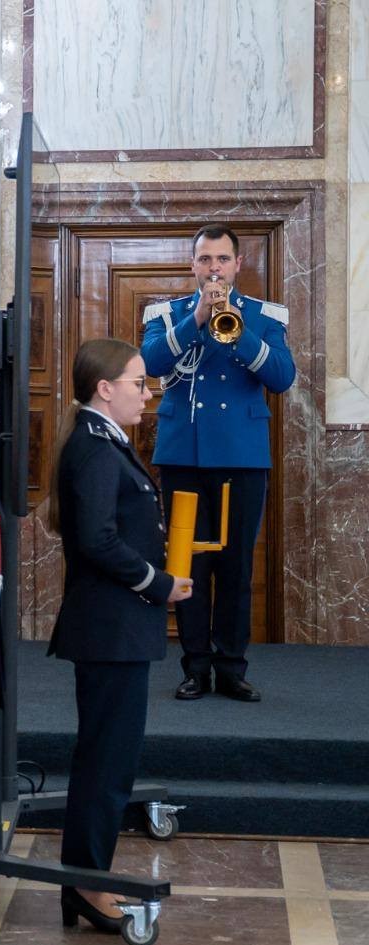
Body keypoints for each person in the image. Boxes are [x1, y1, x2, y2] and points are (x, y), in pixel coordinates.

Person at [47, 338, 194, 931]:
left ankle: (85, 882)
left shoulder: (104, 440)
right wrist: (158, 584)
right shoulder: (95, 447)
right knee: (105, 766)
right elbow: (97, 540)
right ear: (105, 389)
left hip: (117, 629)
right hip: (109, 629)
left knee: (108, 762)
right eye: (139, 382)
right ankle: (87, 885)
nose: (148, 393)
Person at [140, 224, 294, 703]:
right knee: (187, 565)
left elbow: (282, 377)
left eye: (222, 259)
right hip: (184, 456)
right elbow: (150, 362)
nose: (214, 268)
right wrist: (198, 319)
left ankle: (231, 668)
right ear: (193, 265)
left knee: (234, 567)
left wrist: (239, 332)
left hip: (242, 457)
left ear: (237, 264)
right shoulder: (167, 314)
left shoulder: (264, 316)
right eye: (205, 259)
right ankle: (195, 668)